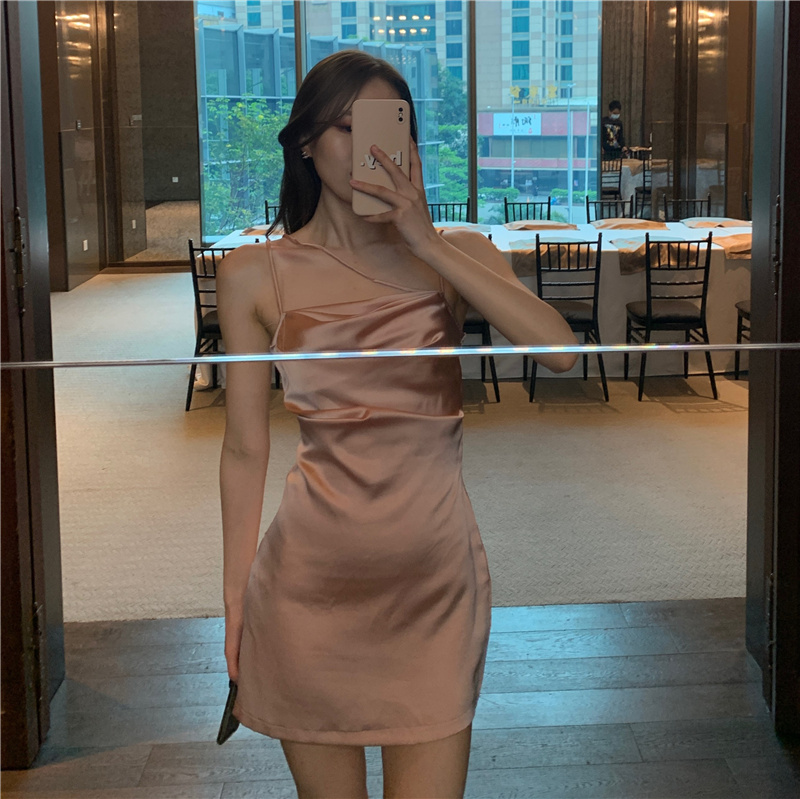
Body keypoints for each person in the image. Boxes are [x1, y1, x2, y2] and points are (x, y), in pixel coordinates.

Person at [217, 50, 578, 799]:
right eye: (344, 128)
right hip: (307, 589)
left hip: (433, 584)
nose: (368, 148)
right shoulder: (253, 273)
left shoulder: (458, 254)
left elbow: (562, 353)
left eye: (388, 126)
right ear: (306, 142)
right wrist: (234, 600)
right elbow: (245, 449)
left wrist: (425, 240)